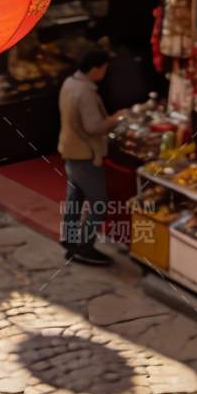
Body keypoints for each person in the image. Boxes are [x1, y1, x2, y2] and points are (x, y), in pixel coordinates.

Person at [57, 46, 125, 266]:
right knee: (99, 203)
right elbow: (94, 126)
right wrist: (115, 118)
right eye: (104, 67)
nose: (105, 72)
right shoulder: (85, 92)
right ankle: (84, 247)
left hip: (70, 148)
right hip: (84, 153)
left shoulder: (70, 83)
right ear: (95, 68)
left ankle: (70, 239)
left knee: (75, 198)